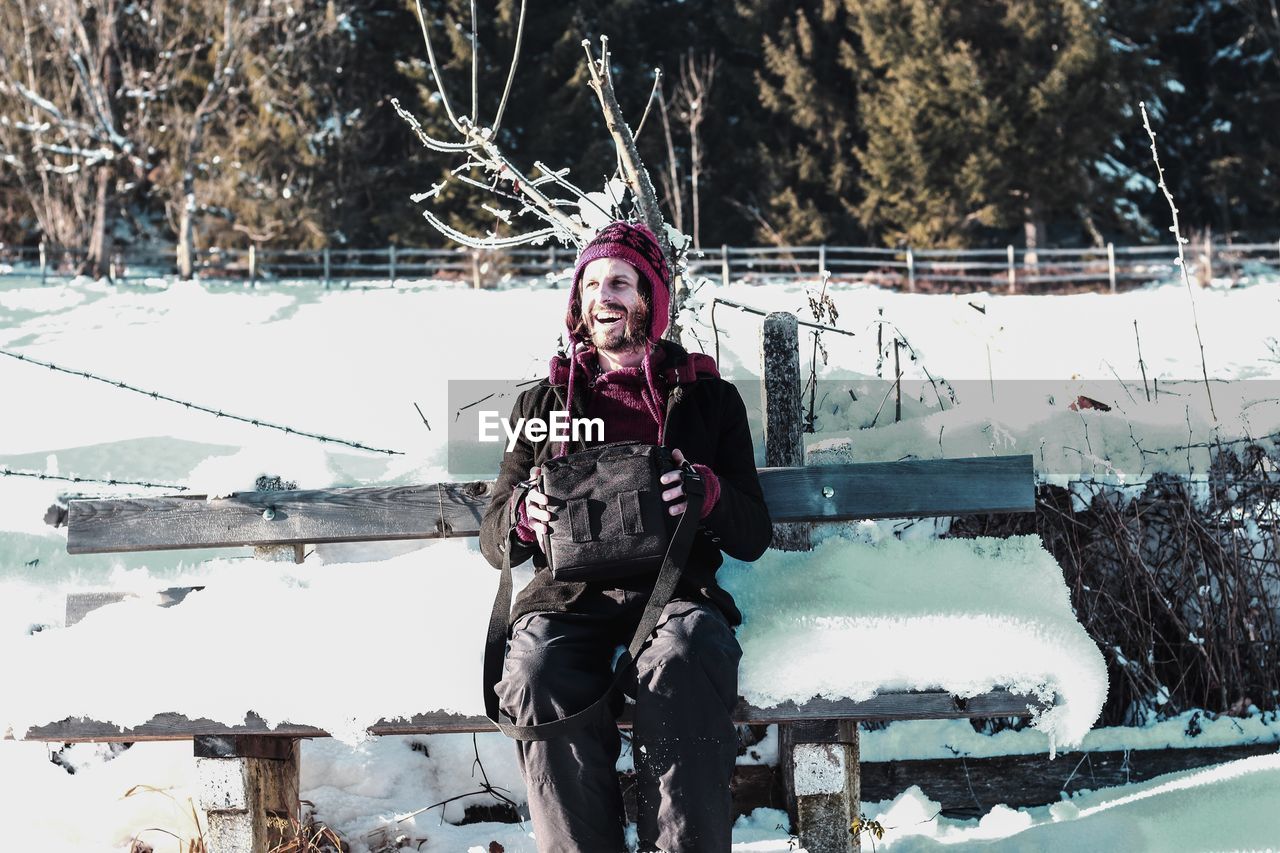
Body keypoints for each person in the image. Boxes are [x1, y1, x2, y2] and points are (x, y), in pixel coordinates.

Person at [479, 221, 771, 853]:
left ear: (651, 300)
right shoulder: (541, 404)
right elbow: (494, 530)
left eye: (619, 282)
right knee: (534, 669)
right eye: (590, 285)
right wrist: (525, 515)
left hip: (674, 591)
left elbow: (753, 534)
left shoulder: (709, 401)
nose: (603, 296)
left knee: (690, 652)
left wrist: (710, 493)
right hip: (567, 596)